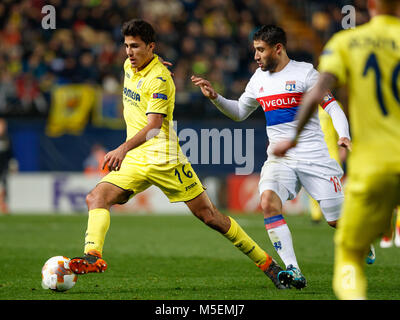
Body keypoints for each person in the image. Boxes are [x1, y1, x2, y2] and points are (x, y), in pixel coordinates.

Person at [69, 19, 287, 290]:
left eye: (135, 46)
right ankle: (93, 256)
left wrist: (122, 148)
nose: (129, 52)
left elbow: (153, 128)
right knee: (96, 197)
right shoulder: (130, 65)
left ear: (150, 46)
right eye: (126, 46)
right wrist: (153, 60)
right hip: (137, 158)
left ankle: (269, 265)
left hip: (164, 158)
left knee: (210, 217)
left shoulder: (160, 80)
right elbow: (145, 65)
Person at [192, 24, 357, 289]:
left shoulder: (305, 73)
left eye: (261, 50)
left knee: (337, 221)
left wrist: (344, 134)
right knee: (268, 202)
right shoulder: (258, 79)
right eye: (254, 50)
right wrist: (216, 98)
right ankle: (293, 269)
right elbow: (239, 112)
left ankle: (362, 237)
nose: (256, 56)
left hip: (314, 156)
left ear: (277, 48)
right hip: (280, 158)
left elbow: (332, 106)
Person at [273, 0, 400, 299]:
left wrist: (293, 139)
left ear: (369, 5)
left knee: (349, 256)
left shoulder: (346, 42)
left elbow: (319, 91)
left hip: (373, 165)